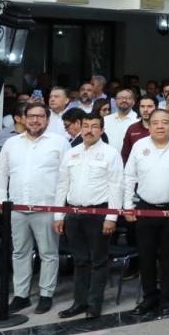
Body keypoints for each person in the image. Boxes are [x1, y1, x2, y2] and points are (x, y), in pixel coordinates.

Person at [0, 102, 69, 314]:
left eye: (40, 116)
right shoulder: (11, 143)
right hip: (16, 207)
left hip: (46, 208)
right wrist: (2, 202)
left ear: (47, 120)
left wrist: (59, 212)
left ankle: (46, 295)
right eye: (31, 116)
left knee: (48, 253)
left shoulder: (59, 142)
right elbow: (1, 173)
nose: (35, 120)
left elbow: (65, 179)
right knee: (19, 253)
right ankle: (21, 295)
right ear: (23, 119)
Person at [54, 113, 122, 319]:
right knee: (80, 260)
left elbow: (116, 186)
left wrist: (111, 217)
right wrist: (58, 215)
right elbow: (62, 185)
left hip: (99, 214)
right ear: (80, 128)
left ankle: (94, 304)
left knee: (98, 261)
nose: (89, 130)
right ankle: (79, 302)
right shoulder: (71, 153)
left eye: (94, 126)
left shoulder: (110, 153)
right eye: (85, 126)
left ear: (101, 130)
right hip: (73, 214)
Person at [123, 108, 169, 316]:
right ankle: (149, 297)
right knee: (146, 256)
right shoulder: (139, 145)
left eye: (165, 122)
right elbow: (129, 177)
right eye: (155, 122)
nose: (160, 126)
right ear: (148, 126)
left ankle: (166, 298)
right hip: (145, 209)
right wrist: (127, 206)